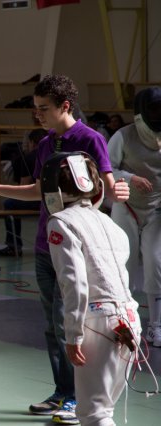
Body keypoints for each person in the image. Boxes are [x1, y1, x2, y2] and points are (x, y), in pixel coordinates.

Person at [0, 74, 130, 425]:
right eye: (36, 108)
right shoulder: (46, 143)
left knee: (69, 321)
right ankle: (63, 391)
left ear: (65, 106)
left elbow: (106, 188)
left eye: (44, 108)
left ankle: (78, 396)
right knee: (51, 324)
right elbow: (38, 190)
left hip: (77, 242)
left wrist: (120, 191)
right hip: (47, 245)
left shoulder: (90, 140)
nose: (38, 114)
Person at [43, 152, 141, 426]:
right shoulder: (110, 223)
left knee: (94, 415)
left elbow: (74, 282)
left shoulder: (62, 222)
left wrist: (73, 335)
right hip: (130, 321)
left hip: (100, 324)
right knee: (103, 412)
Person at [107, 87, 161, 348]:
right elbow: (106, 170)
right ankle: (125, 321)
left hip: (157, 209)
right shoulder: (123, 136)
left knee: (156, 262)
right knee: (124, 264)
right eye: (154, 110)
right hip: (126, 206)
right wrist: (130, 178)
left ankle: (156, 326)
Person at [0, 129, 46, 257]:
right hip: (54, 198)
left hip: (37, 200)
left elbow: (24, 187)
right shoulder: (52, 155)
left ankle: (13, 246)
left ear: (32, 142)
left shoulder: (29, 158)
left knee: (9, 204)